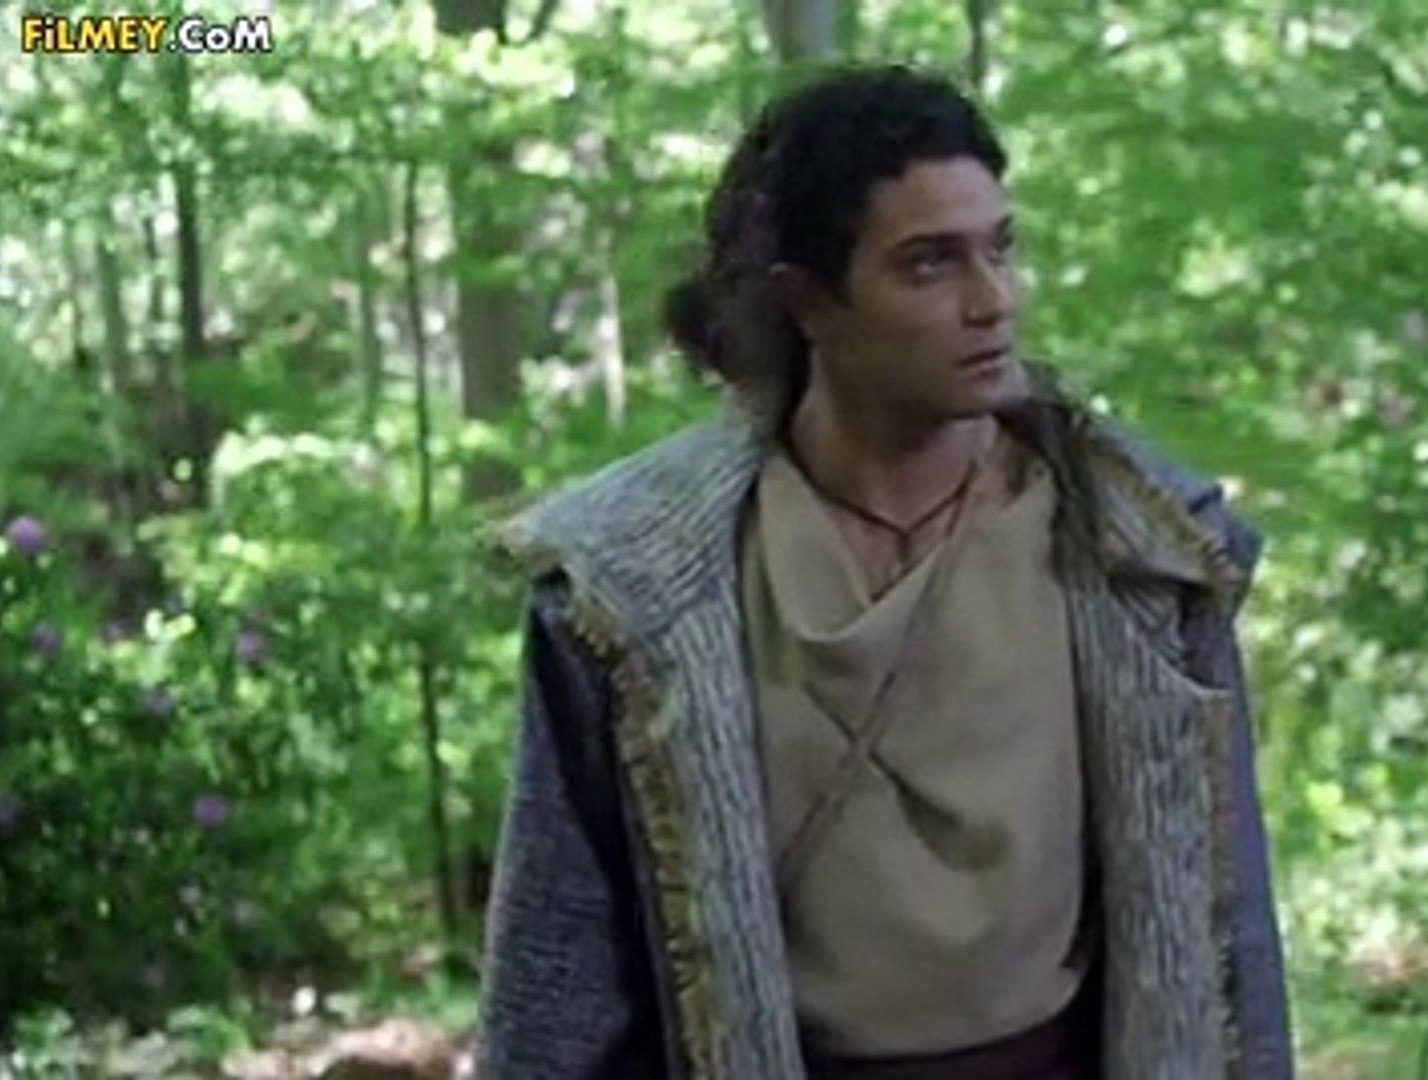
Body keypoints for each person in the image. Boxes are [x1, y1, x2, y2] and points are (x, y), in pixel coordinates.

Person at [472, 62, 1294, 1080]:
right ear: (809, 301)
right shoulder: (633, 587)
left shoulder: (1145, 552)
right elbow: (557, 978)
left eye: (1000, 249)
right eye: (929, 264)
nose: (992, 301)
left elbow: (1225, 940)